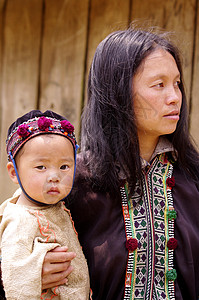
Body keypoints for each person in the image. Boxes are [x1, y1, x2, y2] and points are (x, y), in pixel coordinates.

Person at [40, 26, 199, 300]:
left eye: (177, 83)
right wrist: (33, 270)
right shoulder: (70, 183)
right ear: (118, 92)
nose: (174, 97)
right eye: (159, 84)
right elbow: (16, 252)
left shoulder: (193, 178)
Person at [0, 110, 90, 300]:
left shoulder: (57, 207)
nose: (54, 176)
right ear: (14, 173)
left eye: (64, 166)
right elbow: (16, 281)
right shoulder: (20, 220)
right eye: (41, 167)